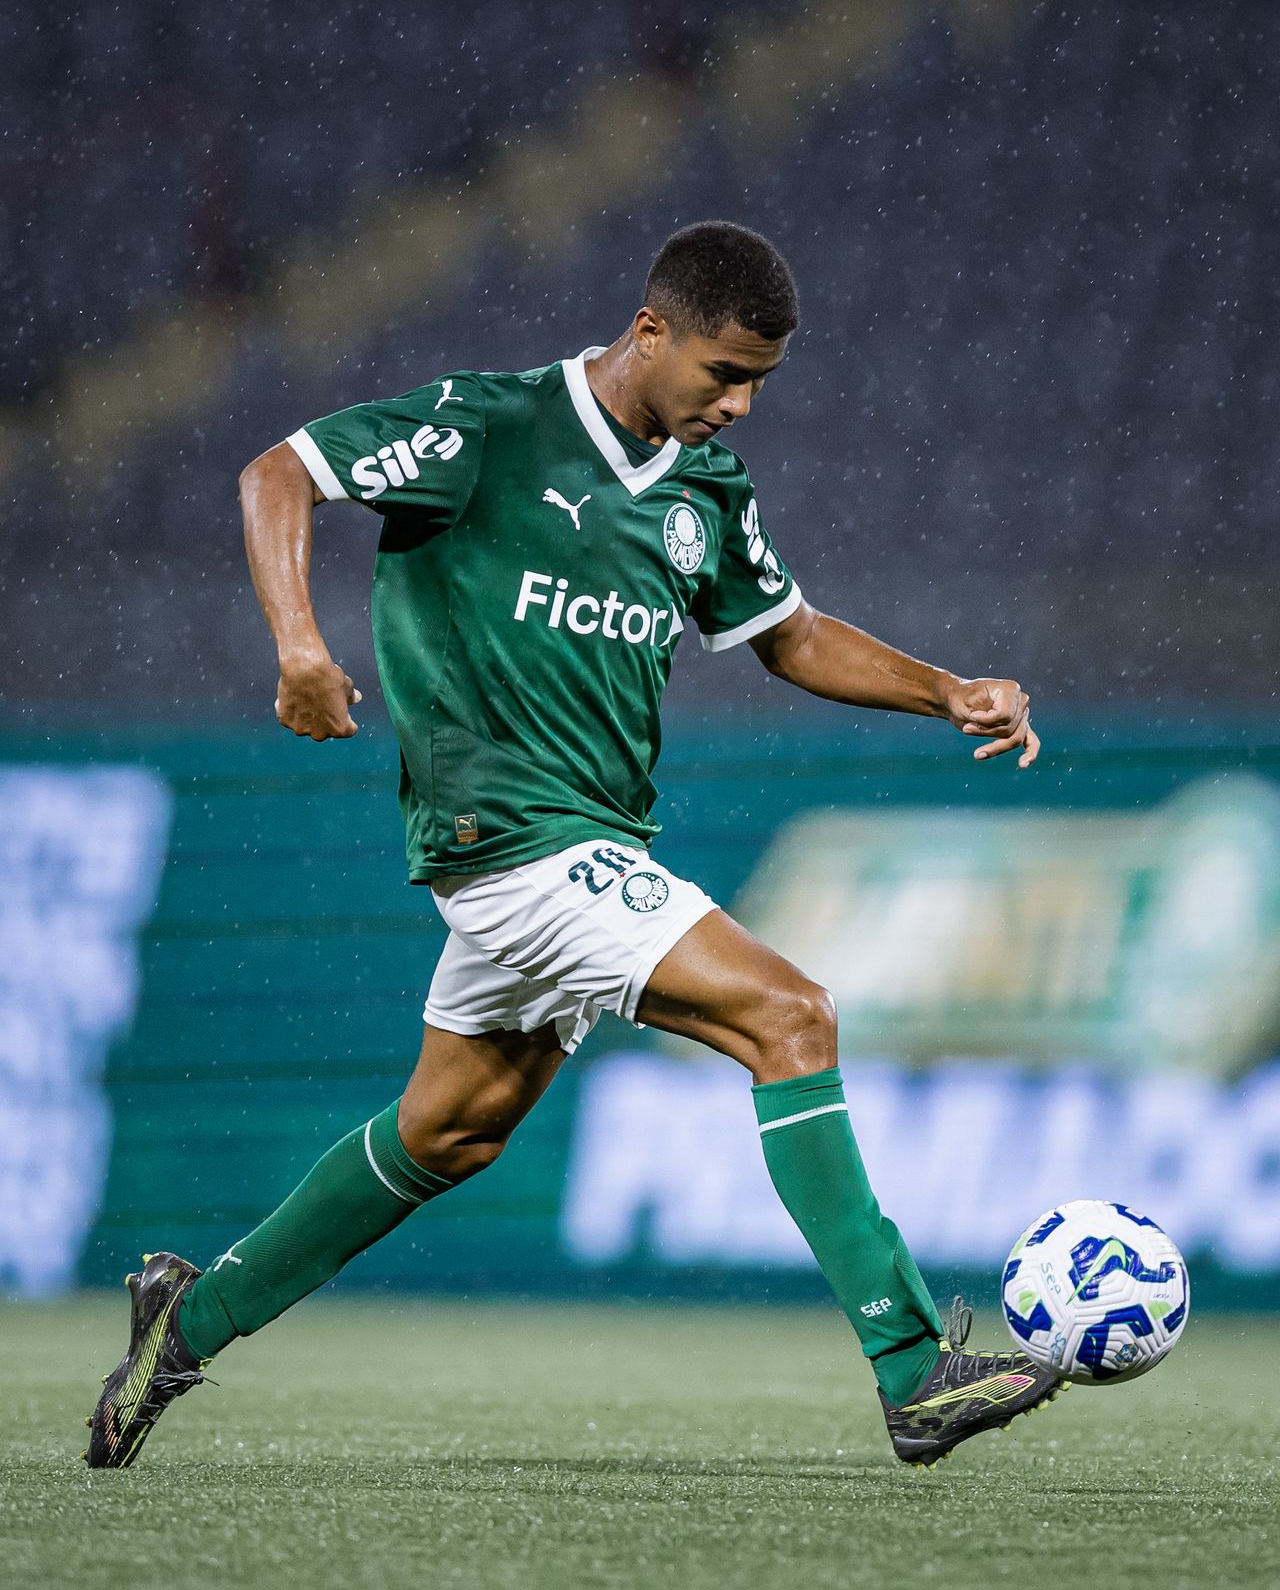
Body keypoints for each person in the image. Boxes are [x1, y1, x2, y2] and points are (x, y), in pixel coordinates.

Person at [85, 220, 1065, 1471]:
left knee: (450, 1131)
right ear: (649, 329)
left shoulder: (704, 493)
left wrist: (947, 691)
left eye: (759, 379)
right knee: (791, 1015)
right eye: (722, 370)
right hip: (507, 838)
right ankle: (911, 1367)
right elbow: (280, 471)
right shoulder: (487, 426)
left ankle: (189, 1316)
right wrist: (296, 642)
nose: (741, 402)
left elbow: (789, 634)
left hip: (582, 842)